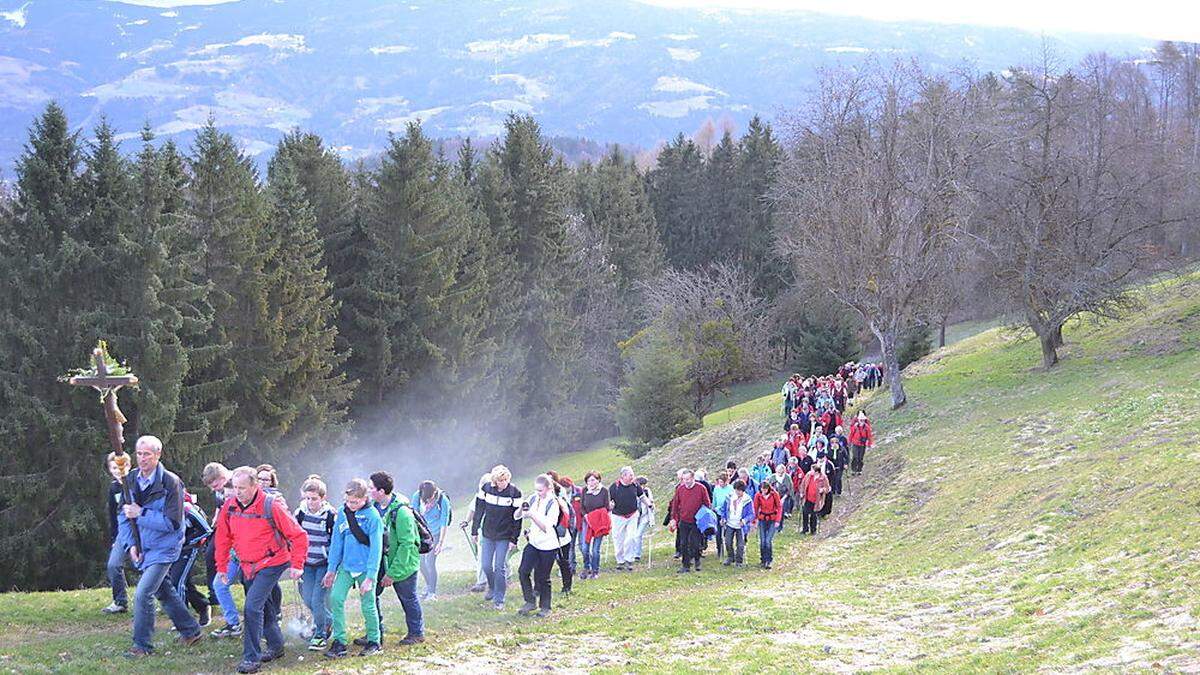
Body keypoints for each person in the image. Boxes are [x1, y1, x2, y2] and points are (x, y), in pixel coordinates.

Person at [214, 465, 308, 674]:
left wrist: (297, 564)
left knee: (252, 607)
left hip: (272, 562)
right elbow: (222, 538)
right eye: (235, 487)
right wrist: (222, 567)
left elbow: (298, 535)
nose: (238, 492)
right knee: (263, 607)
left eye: (242, 488)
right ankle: (276, 646)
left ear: (255, 485)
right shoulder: (230, 507)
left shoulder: (271, 505)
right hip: (248, 565)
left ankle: (251, 658)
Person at [117, 436, 204, 659]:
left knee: (143, 592)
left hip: (166, 547)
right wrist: (130, 545)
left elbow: (172, 523)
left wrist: (141, 514)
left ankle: (142, 646)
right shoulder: (130, 479)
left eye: (147, 454)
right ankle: (191, 631)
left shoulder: (171, 482)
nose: (142, 458)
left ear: (158, 455)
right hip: (143, 547)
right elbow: (123, 517)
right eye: (139, 453)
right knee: (163, 591)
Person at [322, 478, 385, 659]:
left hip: (366, 568)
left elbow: (376, 548)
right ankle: (340, 641)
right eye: (348, 501)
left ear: (365, 498)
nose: (351, 505)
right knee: (336, 598)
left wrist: (371, 576)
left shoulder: (373, 516)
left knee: (368, 604)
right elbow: (336, 542)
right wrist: (331, 569)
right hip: (346, 567)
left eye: (355, 502)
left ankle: (374, 640)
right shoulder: (342, 512)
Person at [376, 471, 425, 647]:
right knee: (371, 595)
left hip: (404, 563)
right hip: (382, 561)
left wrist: (393, 573)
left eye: (371, 488)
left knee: (408, 598)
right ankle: (375, 632)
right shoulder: (375, 507)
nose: (368, 491)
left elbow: (407, 545)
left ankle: (416, 633)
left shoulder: (402, 512)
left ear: (381, 491)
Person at [515, 474, 567, 617]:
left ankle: (546, 607)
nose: (538, 493)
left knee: (543, 577)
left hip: (548, 545)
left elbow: (546, 527)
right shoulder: (533, 498)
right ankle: (530, 601)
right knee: (523, 571)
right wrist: (521, 509)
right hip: (533, 542)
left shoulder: (553, 503)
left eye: (540, 490)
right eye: (536, 490)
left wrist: (531, 515)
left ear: (549, 488)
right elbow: (516, 516)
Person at [471, 465, 522, 610]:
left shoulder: (515, 492)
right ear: (495, 480)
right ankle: (492, 587)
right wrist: (474, 531)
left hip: (504, 535)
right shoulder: (486, 489)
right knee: (486, 565)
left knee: (499, 567)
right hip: (488, 533)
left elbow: (517, 518)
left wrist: (514, 539)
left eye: (505, 480)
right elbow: (479, 510)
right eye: (500, 480)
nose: (503, 483)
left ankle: (499, 599)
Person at [294, 475, 335, 651]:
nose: (310, 502)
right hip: (307, 562)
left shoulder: (331, 515)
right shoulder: (300, 513)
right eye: (307, 498)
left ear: (323, 497)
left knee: (317, 599)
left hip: (323, 562)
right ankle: (328, 620)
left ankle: (320, 634)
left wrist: (333, 568)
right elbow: (294, 537)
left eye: (314, 499)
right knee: (308, 598)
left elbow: (335, 542)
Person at [203, 465, 243, 639]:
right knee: (219, 583)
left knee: (256, 588)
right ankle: (233, 623)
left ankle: (269, 620)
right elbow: (221, 508)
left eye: (215, 485)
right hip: (232, 550)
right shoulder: (222, 495)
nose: (216, 490)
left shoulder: (239, 483)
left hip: (250, 553)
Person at [167, 492, 212, 627]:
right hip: (171, 550)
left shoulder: (187, 510)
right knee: (183, 582)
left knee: (177, 582)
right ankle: (203, 606)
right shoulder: (162, 508)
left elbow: (206, 530)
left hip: (188, 549)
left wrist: (186, 541)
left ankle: (182, 619)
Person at [411, 480, 451, 601]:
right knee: (421, 563)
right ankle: (429, 586)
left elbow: (444, 522)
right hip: (422, 533)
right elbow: (413, 517)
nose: (428, 501)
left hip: (436, 533)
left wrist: (440, 543)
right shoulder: (417, 497)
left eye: (430, 498)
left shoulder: (442, 499)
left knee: (430, 562)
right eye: (426, 499)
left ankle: (432, 592)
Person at [103, 452, 132, 614]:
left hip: (141, 531)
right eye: (113, 468)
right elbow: (113, 515)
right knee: (113, 565)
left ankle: (165, 599)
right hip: (122, 532)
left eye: (119, 467)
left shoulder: (135, 482)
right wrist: (115, 537)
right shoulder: (113, 488)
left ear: (127, 466)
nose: (116, 470)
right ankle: (120, 601)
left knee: (150, 567)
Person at [668, 469, 711, 573]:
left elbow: (707, 503)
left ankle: (697, 560)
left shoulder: (701, 488)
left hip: (696, 521)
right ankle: (685, 565)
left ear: (692, 478)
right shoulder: (680, 489)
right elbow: (675, 504)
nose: (686, 481)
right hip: (684, 520)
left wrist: (703, 516)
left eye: (687, 479)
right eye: (684, 479)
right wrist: (673, 518)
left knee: (694, 543)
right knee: (683, 543)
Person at [463, 471, 493, 593]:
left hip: (497, 531)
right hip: (483, 531)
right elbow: (472, 510)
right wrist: (466, 522)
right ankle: (481, 582)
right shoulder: (478, 497)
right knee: (481, 557)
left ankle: (504, 576)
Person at [608, 467, 643, 571]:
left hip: (632, 514)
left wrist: (650, 504)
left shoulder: (635, 485)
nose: (632, 477)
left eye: (633, 474)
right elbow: (609, 502)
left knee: (631, 537)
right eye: (630, 475)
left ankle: (629, 559)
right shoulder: (614, 487)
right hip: (618, 516)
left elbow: (642, 496)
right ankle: (620, 561)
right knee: (618, 539)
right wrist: (610, 505)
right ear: (623, 476)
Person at [579, 471, 611, 579]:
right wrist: (586, 516)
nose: (591, 483)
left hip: (599, 522)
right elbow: (581, 507)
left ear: (598, 480)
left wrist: (597, 515)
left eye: (593, 480)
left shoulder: (604, 491)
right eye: (588, 481)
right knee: (584, 548)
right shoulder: (584, 491)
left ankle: (595, 570)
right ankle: (586, 567)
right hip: (587, 521)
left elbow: (606, 507)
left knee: (595, 549)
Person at [718, 479, 753, 567]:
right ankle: (730, 557)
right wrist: (723, 518)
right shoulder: (729, 497)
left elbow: (751, 514)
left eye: (740, 490)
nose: (738, 492)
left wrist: (744, 520)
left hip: (740, 526)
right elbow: (724, 509)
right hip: (730, 523)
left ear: (743, 490)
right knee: (728, 541)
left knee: (740, 544)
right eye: (736, 490)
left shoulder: (747, 500)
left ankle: (739, 561)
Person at [753, 480, 783, 569]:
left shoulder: (774, 495)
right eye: (762, 490)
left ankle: (769, 560)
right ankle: (763, 560)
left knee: (768, 540)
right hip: (762, 519)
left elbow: (779, 507)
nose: (764, 492)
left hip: (772, 519)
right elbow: (755, 507)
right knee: (762, 541)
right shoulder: (758, 495)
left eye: (765, 490)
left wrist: (778, 520)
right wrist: (754, 520)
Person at [799, 462, 831, 536]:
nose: (810, 471)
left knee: (813, 515)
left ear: (817, 471)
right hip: (807, 498)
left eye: (812, 470)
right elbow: (803, 484)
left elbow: (827, 488)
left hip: (816, 500)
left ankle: (813, 530)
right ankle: (805, 529)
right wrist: (802, 492)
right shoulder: (808, 475)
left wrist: (822, 490)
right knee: (805, 513)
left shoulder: (823, 478)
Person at [632, 476, 655, 563]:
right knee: (633, 536)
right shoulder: (633, 491)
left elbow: (651, 502)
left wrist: (650, 504)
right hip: (635, 516)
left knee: (638, 535)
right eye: (640, 485)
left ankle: (637, 555)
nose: (642, 487)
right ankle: (632, 552)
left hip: (644, 517)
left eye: (643, 485)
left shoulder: (647, 491)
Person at [848, 410, 875, 475]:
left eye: (863, 420)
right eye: (860, 420)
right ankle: (853, 470)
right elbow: (851, 434)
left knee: (860, 457)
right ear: (858, 420)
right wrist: (849, 442)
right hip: (855, 443)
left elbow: (869, 436)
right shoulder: (855, 427)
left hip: (862, 444)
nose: (861, 421)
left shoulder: (867, 427)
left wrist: (870, 444)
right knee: (855, 456)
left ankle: (859, 470)